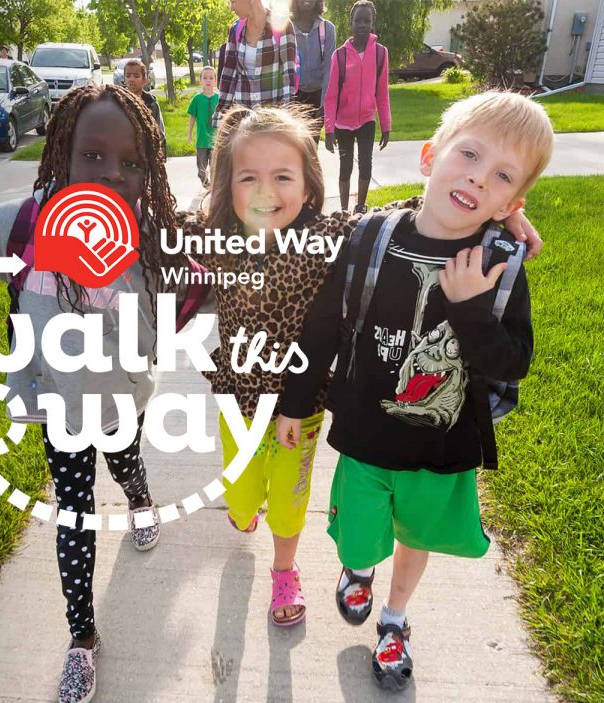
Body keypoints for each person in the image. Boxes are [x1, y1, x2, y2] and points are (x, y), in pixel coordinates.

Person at [0, 84, 204, 703]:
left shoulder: (154, 239)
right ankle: (82, 637)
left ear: (151, 171)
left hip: (125, 399)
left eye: (131, 162)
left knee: (126, 462)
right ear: (62, 154)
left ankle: (140, 501)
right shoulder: (21, 227)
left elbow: (218, 287)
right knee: (73, 512)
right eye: (93, 155)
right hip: (57, 404)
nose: (111, 173)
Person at [182, 103, 544, 628]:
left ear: (308, 187)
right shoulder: (217, 240)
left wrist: (500, 212)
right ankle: (261, 516)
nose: (266, 191)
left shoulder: (332, 236)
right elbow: (155, 225)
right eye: (249, 178)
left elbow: (423, 216)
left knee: (297, 503)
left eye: (283, 177)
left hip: (311, 407)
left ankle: (302, 575)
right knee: (242, 494)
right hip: (238, 396)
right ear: (227, 188)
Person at [276, 91, 555, 689]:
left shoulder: (501, 267)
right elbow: (323, 324)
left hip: (440, 448)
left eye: (501, 176)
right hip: (366, 436)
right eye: (470, 156)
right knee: (357, 533)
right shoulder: (370, 237)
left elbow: (516, 359)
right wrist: (296, 401)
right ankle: (356, 569)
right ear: (431, 156)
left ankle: (395, 620)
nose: (479, 178)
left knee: (416, 536)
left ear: (513, 202)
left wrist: (472, 310)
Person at [323, 0, 391, 213]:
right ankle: (344, 210)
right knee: (345, 167)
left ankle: (360, 206)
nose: (362, 24)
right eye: (358, 20)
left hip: (367, 121)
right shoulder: (340, 56)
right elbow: (331, 96)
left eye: (366, 20)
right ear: (351, 23)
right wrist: (329, 128)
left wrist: (386, 125)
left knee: (365, 165)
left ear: (372, 23)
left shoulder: (380, 53)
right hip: (343, 123)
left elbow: (382, 93)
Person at [212, 0, 298, 128]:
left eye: (233, 2)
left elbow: (289, 75)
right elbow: (229, 76)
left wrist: (287, 115)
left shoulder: (282, 25)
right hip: (243, 120)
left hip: (272, 118)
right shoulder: (235, 30)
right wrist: (221, 115)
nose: (231, 8)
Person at [291, 0, 336, 134]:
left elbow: (329, 69)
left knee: (311, 143)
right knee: (295, 143)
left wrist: (324, 105)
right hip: (293, 95)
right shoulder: (286, 28)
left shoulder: (327, 29)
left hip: (317, 95)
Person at [122, 59, 166, 153]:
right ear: (124, 79)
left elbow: (160, 132)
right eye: (128, 76)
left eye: (136, 76)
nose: (131, 79)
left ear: (144, 80)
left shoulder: (151, 103)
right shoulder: (118, 102)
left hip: (146, 153)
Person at [186, 66, 220, 186]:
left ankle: (213, 187)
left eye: (211, 78)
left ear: (215, 81)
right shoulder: (197, 99)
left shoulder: (219, 98)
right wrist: (189, 134)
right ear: (200, 81)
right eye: (205, 78)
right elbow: (192, 117)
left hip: (215, 140)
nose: (208, 80)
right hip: (201, 140)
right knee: (201, 168)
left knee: (215, 166)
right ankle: (205, 182)